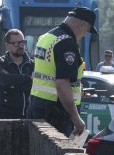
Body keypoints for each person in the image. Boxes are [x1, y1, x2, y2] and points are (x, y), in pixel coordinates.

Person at [26, 7, 98, 138]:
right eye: (86, 32)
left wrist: (77, 91)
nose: (83, 36)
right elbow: (61, 83)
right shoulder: (67, 43)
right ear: (81, 25)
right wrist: (76, 118)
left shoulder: (46, 37)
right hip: (56, 112)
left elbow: (47, 75)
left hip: (37, 105)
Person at [0, 29, 34, 119]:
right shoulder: (0, 63)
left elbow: (35, 86)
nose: (21, 46)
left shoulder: (32, 64)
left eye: (23, 42)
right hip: (6, 116)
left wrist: (13, 82)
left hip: (29, 115)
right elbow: (4, 81)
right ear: (7, 45)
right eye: (16, 43)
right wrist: (28, 79)